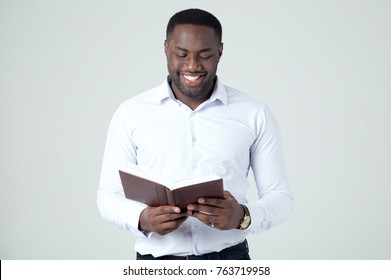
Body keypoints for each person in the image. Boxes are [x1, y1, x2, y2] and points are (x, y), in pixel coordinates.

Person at [98, 8, 293, 260]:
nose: (192, 65)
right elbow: (107, 195)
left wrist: (242, 216)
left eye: (205, 55)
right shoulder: (130, 113)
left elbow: (281, 199)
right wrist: (142, 219)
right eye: (181, 54)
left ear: (220, 51)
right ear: (166, 48)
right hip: (155, 264)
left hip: (228, 260)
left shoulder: (254, 113)